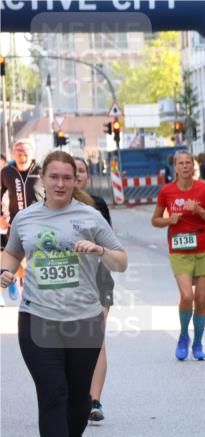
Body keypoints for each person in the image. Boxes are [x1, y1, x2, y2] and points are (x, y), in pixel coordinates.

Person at [0, 151, 127, 437]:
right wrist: (4, 270)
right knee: (52, 392)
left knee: (78, 401)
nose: (60, 184)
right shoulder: (25, 219)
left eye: (67, 178)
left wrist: (99, 251)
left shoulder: (89, 217)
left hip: (83, 320)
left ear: (75, 180)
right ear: (43, 179)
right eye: (53, 177)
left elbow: (121, 261)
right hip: (37, 318)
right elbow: (11, 252)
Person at [151, 151, 205, 362]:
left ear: (193, 166)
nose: (184, 167)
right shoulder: (167, 191)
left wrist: (199, 210)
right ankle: (183, 336)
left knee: (201, 300)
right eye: (180, 163)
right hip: (179, 249)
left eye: (188, 163)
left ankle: (198, 342)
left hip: (203, 247)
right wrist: (168, 220)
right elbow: (154, 220)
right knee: (187, 297)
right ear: (175, 167)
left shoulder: (204, 189)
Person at [73, 158, 115, 423]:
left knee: (95, 338)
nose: (75, 176)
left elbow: (111, 246)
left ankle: (94, 401)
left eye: (80, 171)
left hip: (98, 278)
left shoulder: (97, 205)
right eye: (69, 172)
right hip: (64, 284)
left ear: (87, 176)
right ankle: (74, 395)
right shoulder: (48, 209)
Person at [1, 139, 41, 247]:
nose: (22, 158)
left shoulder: (42, 171)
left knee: (38, 261)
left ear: (32, 154)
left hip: (39, 227)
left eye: (25, 155)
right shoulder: (6, 172)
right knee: (18, 262)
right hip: (16, 227)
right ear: (13, 155)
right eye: (19, 155)